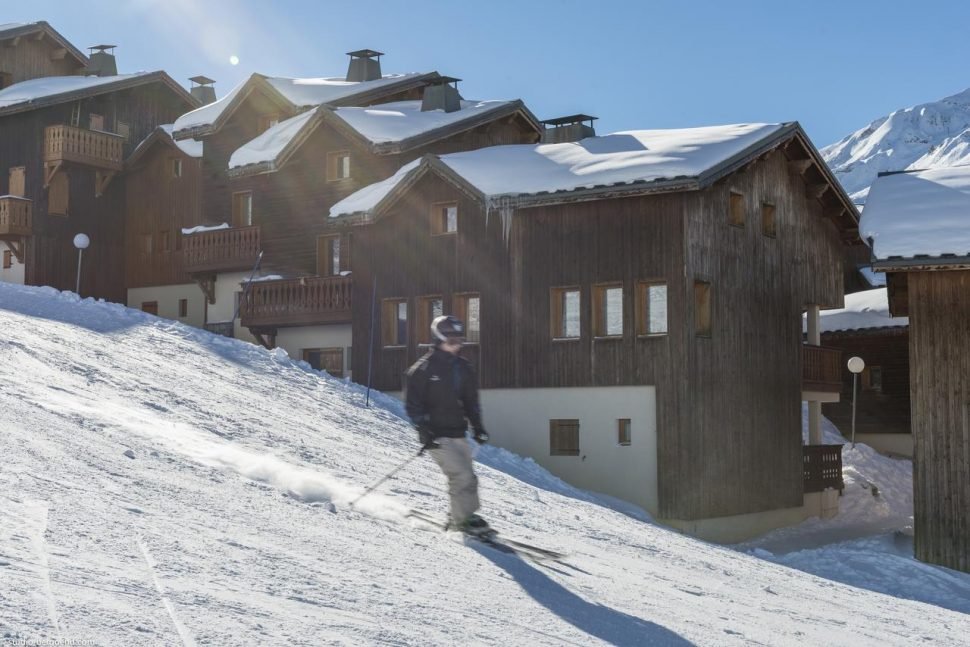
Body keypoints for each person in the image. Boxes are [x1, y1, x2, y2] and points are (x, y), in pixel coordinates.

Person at [405, 314, 491, 536]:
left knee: (469, 477)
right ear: (438, 339)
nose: (456, 345)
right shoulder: (423, 369)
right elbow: (413, 405)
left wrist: (478, 427)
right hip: (436, 436)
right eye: (451, 340)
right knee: (460, 475)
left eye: (459, 341)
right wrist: (424, 430)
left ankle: (465, 514)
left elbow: (471, 402)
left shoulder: (462, 368)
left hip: (457, 432)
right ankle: (461, 521)